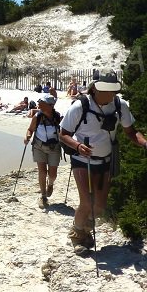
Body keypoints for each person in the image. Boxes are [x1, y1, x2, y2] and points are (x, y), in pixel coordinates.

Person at [59, 70, 147, 255]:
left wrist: (144, 143)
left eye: (113, 91)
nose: (110, 95)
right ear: (95, 89)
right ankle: (76, 237)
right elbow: (64, 134)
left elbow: (131, 132)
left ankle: (84, 231)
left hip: (106, 161)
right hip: (82, 160)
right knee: (86, 202)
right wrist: (77, 146)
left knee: (99, 207)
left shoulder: (119, 105)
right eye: (106, 91)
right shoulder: (80, 106)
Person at [24, 94, 61, 208]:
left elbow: (64, 132)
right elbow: (30, 129)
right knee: (42, 172)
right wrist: (27, 137)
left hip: (54, 147)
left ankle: (50, 184)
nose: (39, 104)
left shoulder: (58, 117)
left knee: (52, 174)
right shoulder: (37, 116)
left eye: (42, 103)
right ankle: (43, 196)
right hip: (39, 146)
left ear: (50, 106)